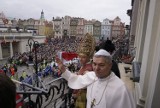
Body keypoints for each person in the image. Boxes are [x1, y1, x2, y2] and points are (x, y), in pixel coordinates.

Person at [56, 49, 135, 108]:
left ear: (110, 65)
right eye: (94, 64)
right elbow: (76, 79)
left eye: (101, 65)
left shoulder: (121, 89)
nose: (96, 68)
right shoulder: (91, 76)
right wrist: (63, 70)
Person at [72, 33, 95, 108]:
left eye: (83, 57)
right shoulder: (85, 66)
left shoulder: (88, 69)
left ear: (89, 57)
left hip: (83, 97)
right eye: (80, 57)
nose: (80, 59)